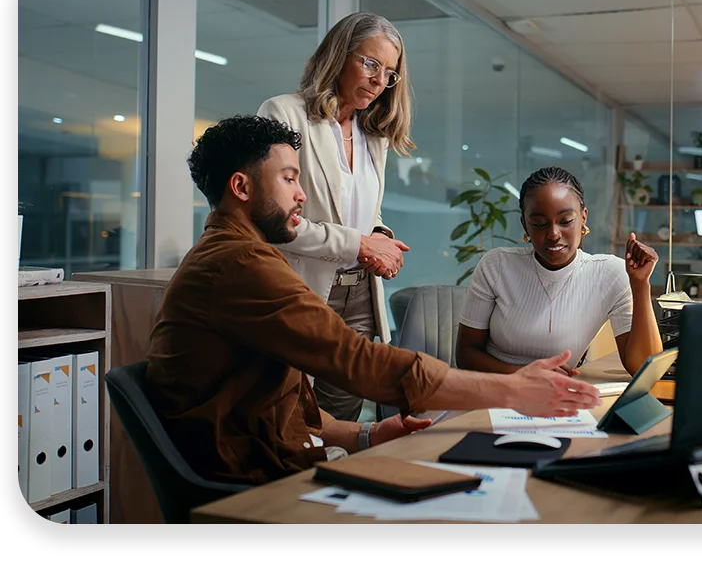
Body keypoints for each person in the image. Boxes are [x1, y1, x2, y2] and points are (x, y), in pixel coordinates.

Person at [144, 116, 601, 486]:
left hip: (278, 460)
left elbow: (283, 401)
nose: (302, 193)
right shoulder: (239, 265)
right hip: (255, 483)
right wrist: (513, 389)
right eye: (288, 178)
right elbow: (356, 360)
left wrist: (367, 433)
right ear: (241, 188)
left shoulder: (237, 257)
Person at [256, 11, 412, 422]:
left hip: (359, 293)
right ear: (339, 55)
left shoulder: (371, 136)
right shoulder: (284, 114)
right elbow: (273, 221)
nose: (380, 80)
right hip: (302, 287)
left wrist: (379, 238)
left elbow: (365, 211)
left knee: (343, 416)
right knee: (291, 415)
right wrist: (360, 242)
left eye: (390, 73)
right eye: (370, 63)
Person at [456, 166, 663, 377]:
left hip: (556, 399)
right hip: (493, 392)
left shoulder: (610, 274)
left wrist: (640, 286)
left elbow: (645, 369)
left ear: (583, 218)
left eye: (565, 221)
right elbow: (465, 354)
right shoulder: (497, 265)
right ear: (525, 226)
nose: (553, 234)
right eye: (539, 224)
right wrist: (525, 375)